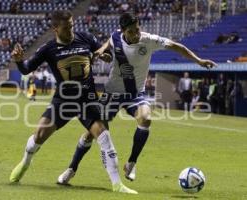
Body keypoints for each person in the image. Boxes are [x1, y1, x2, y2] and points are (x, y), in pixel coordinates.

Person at [57, 12, 217, 185]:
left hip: (135, 94)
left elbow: (177, 46)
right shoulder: (116, 37)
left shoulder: (149, 40)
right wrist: (102, 50)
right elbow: (109, 42)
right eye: (132, 31)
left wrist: (198, 61)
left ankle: (131, 163)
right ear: (123, 31)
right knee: (91, 133)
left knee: (146, 118)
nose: (136, 34)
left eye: (138, 29)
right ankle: (71, 169)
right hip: (112, 93)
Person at [10, 10, 137, 194]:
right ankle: (25, 162)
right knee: (38, 136)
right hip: (64, 100)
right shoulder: (48, 49)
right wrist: (20, 61)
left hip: (88, 99)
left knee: (104, 136)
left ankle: (117, 185)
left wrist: (105, 55)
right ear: (55, 28)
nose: (71, 30)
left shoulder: (84, 38)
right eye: (66, 27)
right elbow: (26, 69)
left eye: (72, 25)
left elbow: (103, 50)